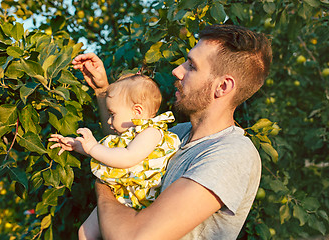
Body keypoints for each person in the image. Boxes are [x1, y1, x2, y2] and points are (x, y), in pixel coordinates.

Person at [72, 24, 272, 239]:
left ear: (222, 87)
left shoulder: (230, 154)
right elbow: (121, 144)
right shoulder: (177, 134)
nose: (177, 71)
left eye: (192, 66)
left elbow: (134, 237)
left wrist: (104, 180)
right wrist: (102, 91)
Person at [49, 74, 181, 240]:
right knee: (84, 233)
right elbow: (107, 152)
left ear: (137, 111)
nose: (109, 121)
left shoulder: (151, 132)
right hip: (123, 195)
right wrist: (77, 145)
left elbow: (127, 158)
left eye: (113, 114)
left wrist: (93, 148)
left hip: (141, 201)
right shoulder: (127, 135)